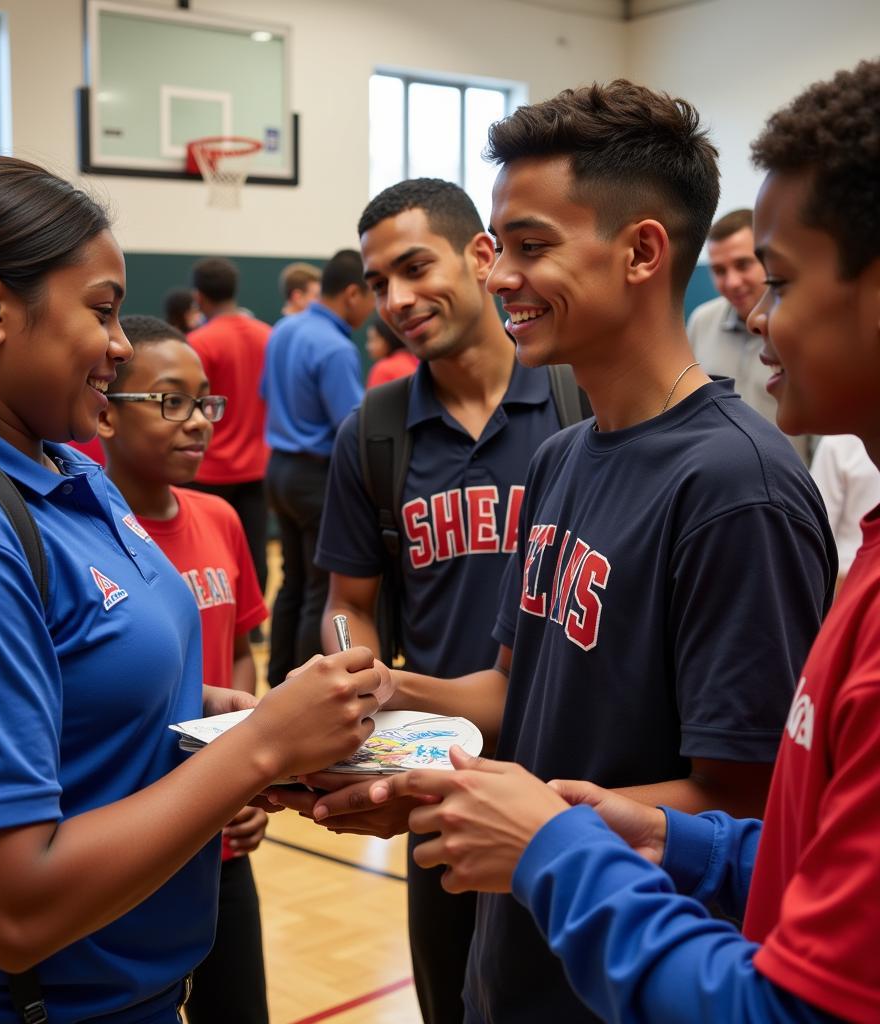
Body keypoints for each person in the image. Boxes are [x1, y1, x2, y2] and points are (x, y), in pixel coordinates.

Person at [273, 80, 835, 1023]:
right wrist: (391, 713)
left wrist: (526, 828)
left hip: (639, 973)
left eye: (531, 248)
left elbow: (748, 807)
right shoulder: (564, 457)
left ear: (642, 252)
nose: (499, 278)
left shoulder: (739, 487)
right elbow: (511, 697)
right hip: (521, 949)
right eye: (499, 250)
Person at [0, 154, 387, 1024]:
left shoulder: (65, 467)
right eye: (100, 310)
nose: (117, 342)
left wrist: (234, 716)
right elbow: (10, 908)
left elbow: (84, 684)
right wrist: (254, 752)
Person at [313, 177, 569, 1024]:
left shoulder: (577, 403)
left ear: (483, 255)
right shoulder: (375, 432)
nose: (396, 298)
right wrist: (355, 662)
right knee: (456, 1001)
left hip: (577, 774)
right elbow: (349, 596)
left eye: (416, 267)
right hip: (441, 780)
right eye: (379, 281)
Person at [99, 314, 271, 1024]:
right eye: (172, 401)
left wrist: (248, 764)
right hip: (130, 842)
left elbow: (237, 650)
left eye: (206, 401)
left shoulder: (221, 520)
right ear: (105, 409)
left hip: (222, 847)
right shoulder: (87, 534)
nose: (200, 421)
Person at [261, 249, 375, 686]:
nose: (373, 309)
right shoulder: (336, 347)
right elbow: (352, 425)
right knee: (318, 591)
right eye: (372, 294)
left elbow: (265, 392)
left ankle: (277, 680)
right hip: (315, 477)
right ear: (352, 294)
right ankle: (305, 691)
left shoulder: (283, 328)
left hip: (280, 470)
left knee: (291, 582)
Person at [687, 208, 812, 463]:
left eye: (743, 265)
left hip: (795, 490)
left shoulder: (801, 326)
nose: (732, 282)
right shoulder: (701, 322)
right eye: (720, 270)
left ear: (768, 260)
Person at [186, 258, 273, 598]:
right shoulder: (268, 336)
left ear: (199, 296)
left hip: (208, 468)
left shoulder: (198, 343)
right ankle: (252, 632)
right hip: (257, 465)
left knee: (206, 554)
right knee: (255, 551)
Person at [810, 434, 880, 594]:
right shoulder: (838, 444)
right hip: (845, 578)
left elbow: (818, 532)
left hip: (847, 582)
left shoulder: (837, 443)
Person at [364, 314, 418, 388]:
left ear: (387, 337)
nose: (368, 347)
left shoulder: (382, 369)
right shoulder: (414, 361)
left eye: (374, 340)